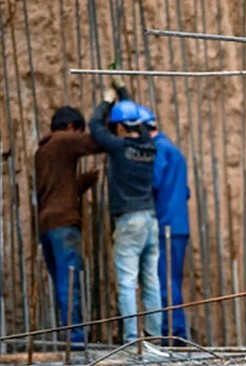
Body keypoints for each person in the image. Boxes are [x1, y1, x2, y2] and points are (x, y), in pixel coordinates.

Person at [89, 86, 161, 343]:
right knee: (151, 282)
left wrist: (107, 101)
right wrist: (123, 92)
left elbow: (95, 126)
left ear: (119, 127)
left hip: (129, 221)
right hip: (150, 220)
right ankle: (154, 337)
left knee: (128, 283)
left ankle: (132, 339)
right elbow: (137, 123)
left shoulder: (119, 148)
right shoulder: (149, 146)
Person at [35, 106, 102, 345]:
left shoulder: (42, 150)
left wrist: (85, 181)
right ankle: (74, 340)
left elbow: (59, 189)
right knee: (70, 283)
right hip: (63, 223)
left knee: (62, 283)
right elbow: (96, 142)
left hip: (46, 225)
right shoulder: (63, 140)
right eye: (78, 131)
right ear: (71, 127)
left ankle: (69, 336)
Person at [138, 104, 191, 343]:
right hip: (179, 225)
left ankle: (175, 336)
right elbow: (185, 191)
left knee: (165, 283)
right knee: (172, 280)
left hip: (165, 226)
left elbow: (153, 182)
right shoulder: (174, 150)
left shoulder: (159, 150)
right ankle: (175, 333)